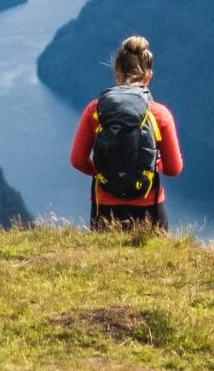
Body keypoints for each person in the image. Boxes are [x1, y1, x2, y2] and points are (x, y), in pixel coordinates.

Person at [69, 34, 183, 230]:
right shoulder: (159, 114)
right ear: (149, 76)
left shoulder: (95, 110)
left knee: (105, 260)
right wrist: (150, 163)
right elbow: (173, 169)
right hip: (149, 207)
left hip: (104, 207)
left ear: (116, 71)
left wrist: (105, 171)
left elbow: (77, 160)